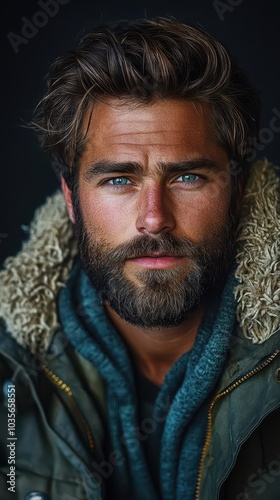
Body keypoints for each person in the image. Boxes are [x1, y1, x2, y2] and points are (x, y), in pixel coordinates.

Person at [0, 16, 279, 500]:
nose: (154, 219)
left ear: (236, 190)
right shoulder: (10, 372)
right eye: (118, 180)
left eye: (187, 177)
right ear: (71, 199)